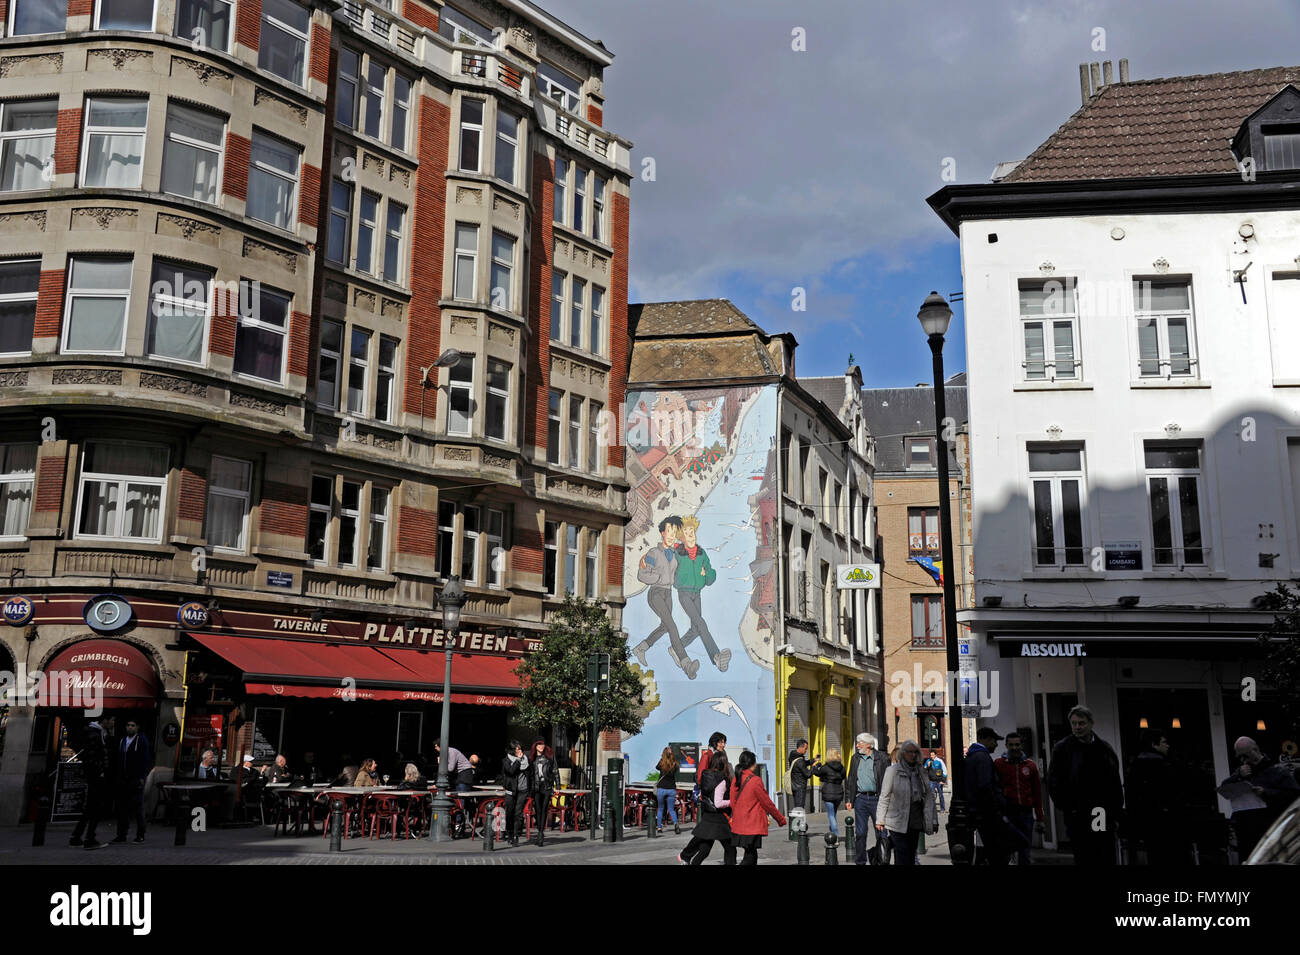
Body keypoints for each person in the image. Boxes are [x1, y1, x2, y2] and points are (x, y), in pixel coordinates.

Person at [1047, 705, 1124, 866]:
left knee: (1103, 851)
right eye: (1074, 723)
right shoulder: (1063, 749)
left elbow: (1114, 781)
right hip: (1078, 811)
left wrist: (1115, 811)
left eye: (1081, 723)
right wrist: (1068, 806)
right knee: (1084, 853)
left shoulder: (1103, 748)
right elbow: (1054, 781)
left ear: (1091, 723)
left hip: (1100, 811)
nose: (1077, 727)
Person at [632, 516, 697, 678]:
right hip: (655, 593)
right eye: (669, 531)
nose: (672, 534)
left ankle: (641, 648)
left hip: (668, 593)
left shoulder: (675, 554)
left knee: (665, 626)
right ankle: (685, 662)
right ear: (662, 532)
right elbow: (642, 574)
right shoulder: (653, 553)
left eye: (674, 532)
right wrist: (657, 578)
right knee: (672, 626)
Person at [1219, 736, 1300, 860]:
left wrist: (1266, 792)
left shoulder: (1277, 771)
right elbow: (1225, 787)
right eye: (1239, 757)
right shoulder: (1243, 772)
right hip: (1245, 829)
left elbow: (1293, 796)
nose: (1242, 760)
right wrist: (1238, 775)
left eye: (1245, 756)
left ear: (1255, 750)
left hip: (1268, 829)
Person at [675, 516, 731, 673]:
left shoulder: (701, 554)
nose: (690, 533)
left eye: (691, 530)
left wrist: (706, 574)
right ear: (681, 536)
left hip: (696, 593)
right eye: (686, 531)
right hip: (684, 592)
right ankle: (716, 657)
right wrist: (678, 579)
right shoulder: (677, 553)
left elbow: (711, 577)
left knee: (695, 629)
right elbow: (671, 571)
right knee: (701, 623)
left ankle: (676, 649)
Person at [1125, 729, 1188, 865]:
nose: (1167, 745)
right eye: (1164, 742)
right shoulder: (1163, 766)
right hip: (1167, 822)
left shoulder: (1135, 766)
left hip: (1146, 822)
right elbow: (1173, 794)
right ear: (1154, 744)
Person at [877, 740, 937, 866]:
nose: (913, 755)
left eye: (915, 752)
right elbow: (884, 796)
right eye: (909, 752)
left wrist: (933, 820)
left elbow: (929, 797)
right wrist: (880, 819)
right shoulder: (892, 771)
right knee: (902, 853)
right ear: (903, 753)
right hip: (897, 819)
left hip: (915, 818)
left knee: (911, 853)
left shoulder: (921, 772)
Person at [729, 750, 787, 864]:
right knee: (750, 856)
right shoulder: (755, 781)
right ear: (753, 764)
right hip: (752, 824)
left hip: (740, 823)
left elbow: (732, 802)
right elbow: (767, 803)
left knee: (750, 854)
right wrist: (780, 819)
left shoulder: (736, 779)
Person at [994, 732, 1043, 865]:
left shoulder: (1030, 766)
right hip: (1007, 813)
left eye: (1017, 744)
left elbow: (1037, 793)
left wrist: (1040, 818)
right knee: (1005, 850)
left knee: (1025, 850)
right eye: (1011, 745)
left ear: (1022, 745)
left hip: (1026, 814)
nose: (1014, 748)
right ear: (1006, 745)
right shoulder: (999, 764)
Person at [679, 750, 735, 864]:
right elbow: (718, 803)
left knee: (705, 850)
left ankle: (686, 857)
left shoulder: (706, 775)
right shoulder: (722, 779)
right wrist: (731, 802)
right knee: (730, 849)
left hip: (708, 816)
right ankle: (685, 856)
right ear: (723, 763)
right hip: (719, 819)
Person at [965, 727, 1009, 865]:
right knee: (997, 852)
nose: (996, 744)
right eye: (994, 740)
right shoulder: (983, 758)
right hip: (986, 814)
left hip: (979, 812)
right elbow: (985, 786)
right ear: (987, 739)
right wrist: (995, 810)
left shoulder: (973, 757)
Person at [845, 733, 890, 865]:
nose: (857, 745)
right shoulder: (855, 758)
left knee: (881, 833)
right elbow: (851, 780)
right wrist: (849, 799)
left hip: (878, 800)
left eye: (860, 743)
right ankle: (860, 861)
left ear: (869, 745)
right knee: (860, 833)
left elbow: (888, 780)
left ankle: (881, 859)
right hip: (861, 800)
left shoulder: (882, 758)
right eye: (857, 742)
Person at [70, 717, 112, 850]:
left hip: (93, 775)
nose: (113, 723)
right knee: (96, 807)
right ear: (105, 720)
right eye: (112, 720)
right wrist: (99, 771)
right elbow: (93, 755)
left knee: (89, 807)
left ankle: (76, 837)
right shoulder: (95, 734)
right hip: (96, 776)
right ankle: (90, 838)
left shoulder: (96, 732)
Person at [111, 719, 151, 844]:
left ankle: (140, 834)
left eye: (132, 726)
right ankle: (121, 834)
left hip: (135, 778)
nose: (130, 728)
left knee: (137, 808)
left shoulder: (141, 740)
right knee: (122, 808)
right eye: (128, 725)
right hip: (123, 779)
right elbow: (119, 759)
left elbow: (145, 759)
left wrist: (141, 777)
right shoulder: (123, 741)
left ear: (137, 727)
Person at [528, 738, 559, 846]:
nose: (541, 746)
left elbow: (555, 770)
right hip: (536, 787)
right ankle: (539, 830)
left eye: (543, 744)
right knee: (538, 809)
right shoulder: (532, 758)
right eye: (539, 744)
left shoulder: (550, 756)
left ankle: (540, 833)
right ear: (535, 746)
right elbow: (529, 774)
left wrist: (558, 785)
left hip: (546, 786)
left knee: (545, 808)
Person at [812, 748, 845, 839]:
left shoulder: (826, 767)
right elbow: (844, 776)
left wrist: (814, 766)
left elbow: (817, 773)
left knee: (831, 815)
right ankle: (832, 833)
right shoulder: (841, 767)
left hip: (828, 792)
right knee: (833, 814)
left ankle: (835, 836)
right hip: (839, 792)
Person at [501, 740, 529, 847]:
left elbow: (529, 773)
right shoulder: (506, 760)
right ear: (512, 750)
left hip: (523, 790)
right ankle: (510, 834)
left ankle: (516, 835)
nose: (519, 750)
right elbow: (511, 771)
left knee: (518, 813)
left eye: (520, 748)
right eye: (516, 748)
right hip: (510, 791)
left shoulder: (526, 760)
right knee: (510, 814)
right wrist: (518, 760)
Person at [656, 747, 681, 835]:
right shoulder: (675, 764)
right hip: (671, 789)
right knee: (671, 809)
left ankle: (659, 827)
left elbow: (657, 767)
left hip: (661, 788)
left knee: (660, 809)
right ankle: (676, 824)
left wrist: (663, 757)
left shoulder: (662, 763)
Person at [787, 738, 816, 813]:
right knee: (799, 807)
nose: (806, 751)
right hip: (800, 787)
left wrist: (812, 760)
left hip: (794, 785)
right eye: (805, 749)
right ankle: (799, 823)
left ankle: (799, 822)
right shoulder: (800, 761)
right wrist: (813, 767)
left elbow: (803, 764)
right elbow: (808, 774)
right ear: (800, 747)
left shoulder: (793, 755)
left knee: (797, 806)